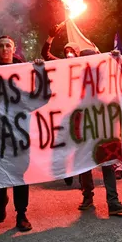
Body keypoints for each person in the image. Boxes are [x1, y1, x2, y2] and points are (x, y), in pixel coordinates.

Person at [0, 35, 43, 232]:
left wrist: (40, 71)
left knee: (19, 173)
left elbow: (36, 95)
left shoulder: (24, 70)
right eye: (1, 46)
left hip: (19, 131)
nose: (5, 49)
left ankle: (21, 214)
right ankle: (1, 198)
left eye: (9, 45)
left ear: (14, 48)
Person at [75, 49, 122, 215]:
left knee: (108, 160)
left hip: (102, 119)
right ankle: (88, 196)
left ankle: (112, 202)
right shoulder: (74, 74)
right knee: (84, 161)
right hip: (87, 118)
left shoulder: (104, 72)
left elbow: (121, 79)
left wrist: (115, 58)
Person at [41, 22, 79, 187]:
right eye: (66, 51)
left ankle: (81, 172)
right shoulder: (60, 64)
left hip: (80, 110)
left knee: (79, 142)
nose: (69, 53)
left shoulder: (86, 64)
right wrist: (51, 36)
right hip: (63, 110)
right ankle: (66, 170)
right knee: (64, 141)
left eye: (72, 51)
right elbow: (45, 54)